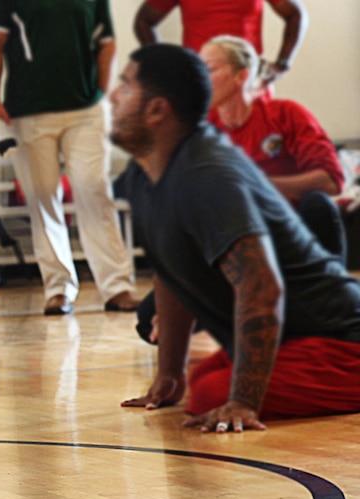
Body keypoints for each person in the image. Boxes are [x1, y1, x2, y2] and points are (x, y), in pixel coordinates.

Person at [110, 43, 360, 433]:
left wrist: (243, 402)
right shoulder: (146, 175)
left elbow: (261, 287)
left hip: (341, 343)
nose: (112, 95)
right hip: (296, 341)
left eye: (125, 86)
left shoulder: (206, 174)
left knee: (213, 391)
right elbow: (172, 273)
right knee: (203, 381)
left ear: (158, 110)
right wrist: (170, 374)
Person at [134, 34, 347, 344]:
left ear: (241, 76)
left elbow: (331, 180)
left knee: (319, 206)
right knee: (148, 316)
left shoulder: (285, 114)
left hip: (293, 246)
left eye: (210, 68)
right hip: (236, 251)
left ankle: (331, 308)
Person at [0, 0, 140, 316]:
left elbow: (106, 44)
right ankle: (58, 289)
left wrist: (103, 98)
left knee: (94, 190)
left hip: (85, 111)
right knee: (43, 198)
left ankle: (117, 286)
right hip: (28, 112)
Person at [133, 0, 308, 87]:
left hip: (249, 82)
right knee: (204, 155)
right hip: (201, 83)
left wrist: (282, 64)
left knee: (257, 154)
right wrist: (163, 68)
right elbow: (144, 22)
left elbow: (295, 14)